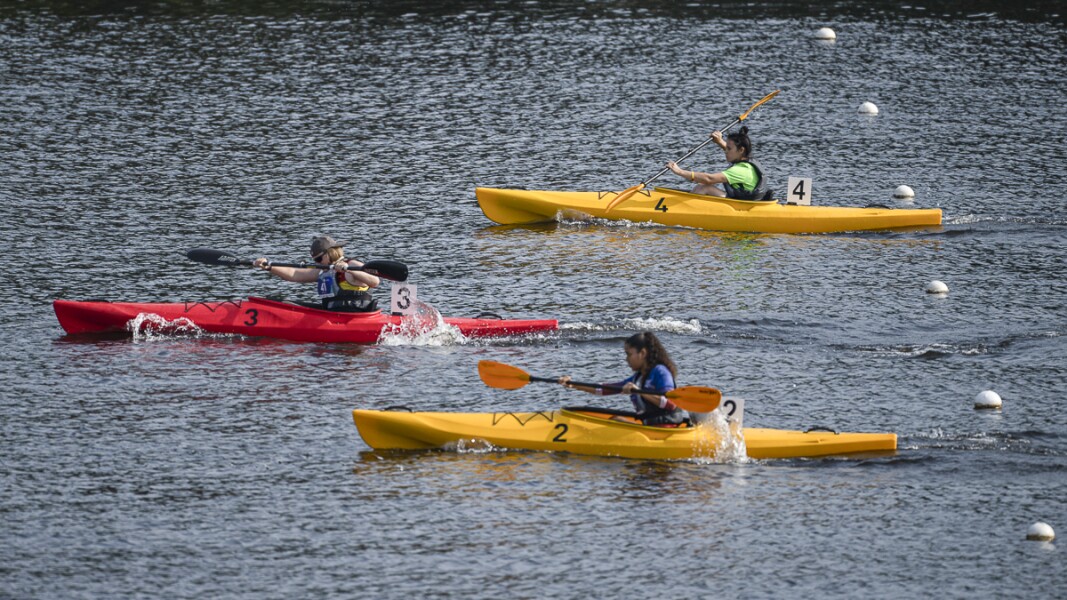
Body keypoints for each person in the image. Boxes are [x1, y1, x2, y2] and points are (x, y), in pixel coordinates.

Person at [558, 331, 689, 426]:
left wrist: (639, 391)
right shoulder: (638, 377)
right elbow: (604, 389)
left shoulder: (660, 372)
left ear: (642, 353)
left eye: (629, 354)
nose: (626, 359)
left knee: (617, 421)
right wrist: (573, 384)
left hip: (665, 429)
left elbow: (672, 404)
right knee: (616, 419)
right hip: (650, 426)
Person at [252, 235, 380, 312]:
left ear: (330, 253)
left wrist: (348, 269)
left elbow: (375, 281)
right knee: (284, 303)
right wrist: (269, 267)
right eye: (315, 260)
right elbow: (294, 273)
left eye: (319, 259)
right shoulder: (324, 270)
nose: (318, 263)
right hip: (332, 314)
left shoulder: (352, 264)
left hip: (355, 315)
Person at [666, 126, 773, 200]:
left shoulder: (741, 170)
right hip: (743, 201)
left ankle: (686, 211)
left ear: (741, 150)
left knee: (704, 187)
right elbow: (732, 152)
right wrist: (719, 141)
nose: (725, 151)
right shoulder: (746, 160)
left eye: (728, 148)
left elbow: (709, 178)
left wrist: (680, 172)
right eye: (725, 148)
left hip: (741, 207)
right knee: (703, 185)